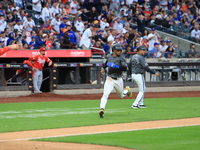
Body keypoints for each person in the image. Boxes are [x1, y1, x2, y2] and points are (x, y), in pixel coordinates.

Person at [99, 44, 132, 118]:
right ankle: (102, 109)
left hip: (118, 79)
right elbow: (107, 63)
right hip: (110, 78)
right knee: (105, 94)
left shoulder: (121, 58)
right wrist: (103, 69)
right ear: (113, 50)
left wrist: (116, 66)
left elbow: (125, 68)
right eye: (118, 50)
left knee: (120, 96)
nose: (119, 52)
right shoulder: (109, 56)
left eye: (120, 50)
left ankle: (127, 91)